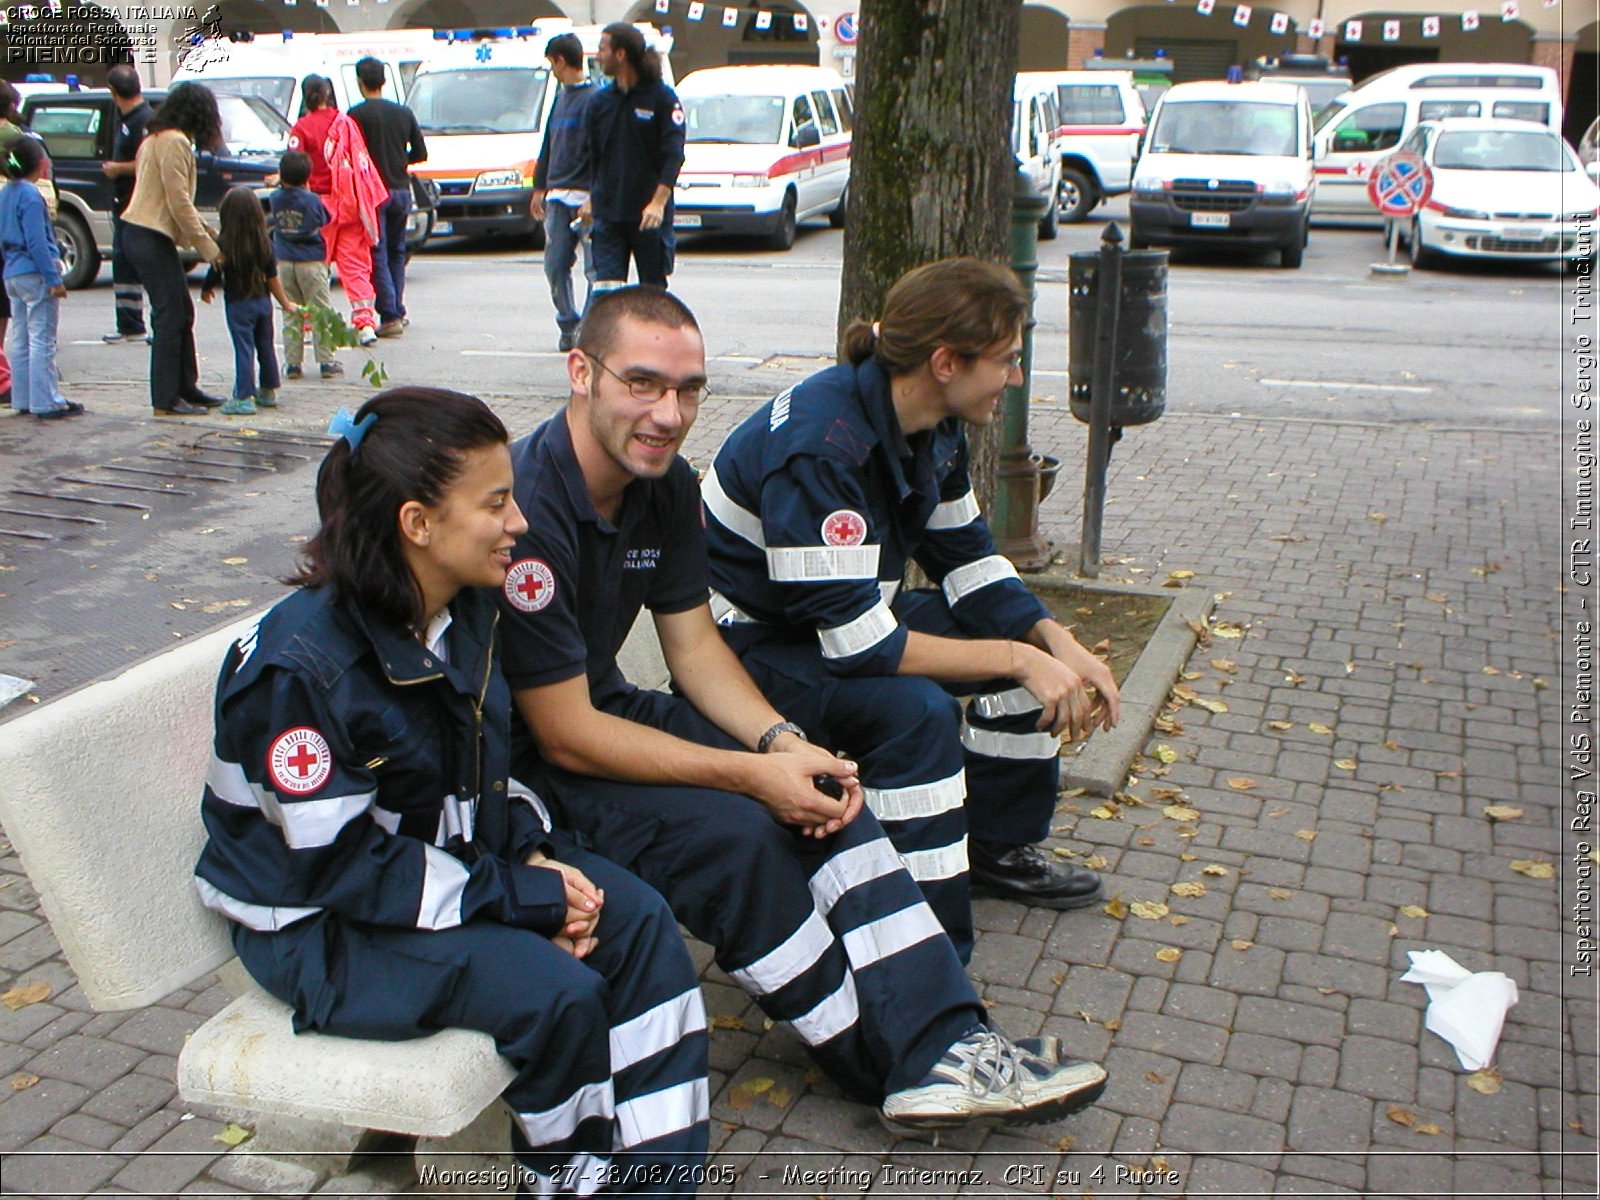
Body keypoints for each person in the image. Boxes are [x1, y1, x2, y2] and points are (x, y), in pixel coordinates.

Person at [497, 285, 1108, 1132]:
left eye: (689, 389)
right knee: (746, 844)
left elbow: (695, 649)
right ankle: (891, 1067)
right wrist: (753, 775)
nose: (668, 413)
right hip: (522, 768)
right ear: (580, 373)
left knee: (824, 791)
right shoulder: (530, 507)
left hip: (606, 712)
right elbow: (562, 735)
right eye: (642, 383)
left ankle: (949, 1039)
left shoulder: (666, 485)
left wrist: (782, 746)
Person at [194, 387, 711, 1195]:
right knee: (556, 997)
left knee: (636, 921)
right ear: (417, 524)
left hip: (431, 874)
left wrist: (536, 855)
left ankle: (658, 1181)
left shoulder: (463, 610)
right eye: (497, 503)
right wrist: (520, 901)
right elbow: (343, 868)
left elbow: (489, 773)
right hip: (317, 928)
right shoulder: (300, 670)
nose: (521, 523)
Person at [702, 258, 1121, 961]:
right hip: (752, 646)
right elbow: (860, 649)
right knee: (916, 715)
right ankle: (919, 945)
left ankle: (994, 849)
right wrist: (1020, 658)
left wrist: (1057, 644)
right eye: (1008, 361)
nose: (1015, 380)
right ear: (946, 362)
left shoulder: (934, 423)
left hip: (840, 621)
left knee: (1023, 654)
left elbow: (974, 563)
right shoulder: (821, 448)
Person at [120, 82, 226, 415]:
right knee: (170, 316)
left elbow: (179, 205)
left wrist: (210, 234)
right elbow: (178, 201)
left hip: (143, 233)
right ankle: (166, 399)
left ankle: (186, 387)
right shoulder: (175, 142)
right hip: (149, 234)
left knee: (181, 310)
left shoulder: (155, 138)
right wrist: (211, 250)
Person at [579, 24, 684, 290]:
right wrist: (592, 196)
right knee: (607, 291)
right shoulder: (599, 102)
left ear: (621, 54)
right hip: (609, 215)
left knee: (652, 293)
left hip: (648, 215)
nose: (598, 55)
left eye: (603, 49)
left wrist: (658, 203)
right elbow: (595, 156)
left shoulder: (662, 98)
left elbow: (673, 155)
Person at [290, 75, 383, 347]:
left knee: (315, 266)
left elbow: (295, 169)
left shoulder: (301, 128)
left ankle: (311, 323)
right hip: (351, 201)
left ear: (306, 96)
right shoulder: (347, 123)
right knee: (355, 264)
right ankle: (365, 322)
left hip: (317, 203)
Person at [201, 187, 298, 416]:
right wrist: (285, 303)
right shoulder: (265, 244)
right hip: (262, 303)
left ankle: (244, 396)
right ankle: (268, 390)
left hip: (238, 304)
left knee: (244, 349)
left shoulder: (224, 245)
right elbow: (272, 277)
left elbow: (214, 271)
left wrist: (206, 290)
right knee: (266, 346)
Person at [1, 137, 78, 420]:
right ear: (41, 164)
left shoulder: (5, 193)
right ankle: (46, 400)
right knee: (42, 337)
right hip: (34, 272)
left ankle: (22, 397)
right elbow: (37, 241)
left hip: (12, 271)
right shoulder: (32, 196)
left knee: (20, 336)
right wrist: (54, 278)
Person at [347, 57, 425, 338]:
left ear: (359, 82)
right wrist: (397, 159)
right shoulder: (403, 113)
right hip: (402, 190)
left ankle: (389, 313)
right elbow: (420, 153)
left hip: (372, 193)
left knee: (376, 252)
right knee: (397, 251)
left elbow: (349, 155)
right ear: (384, 80)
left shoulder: (355, 116)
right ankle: (398, 309)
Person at [530, 32, 598, 353]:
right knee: (554, 265)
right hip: (557, 195)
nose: (552, 71)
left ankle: (591, 328)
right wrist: (539, 187)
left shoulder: (596, 100)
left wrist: (594, 196)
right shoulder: (559, 99)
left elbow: (605, 152)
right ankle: (568, 323)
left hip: (586, 197)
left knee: (595, 269)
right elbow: (548, 144)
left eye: (552, 64)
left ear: (561, 60)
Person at [269, 150, 342, 381]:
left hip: (284, 260)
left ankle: (292, 364)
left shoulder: (275, 198)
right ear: (307, 176)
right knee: (320, 311)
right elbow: (325, 219)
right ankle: (326, 361)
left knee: (290, 311)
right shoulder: (311, 200)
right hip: (311, 260)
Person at [100, 64, 152, 343]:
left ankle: (137, 324)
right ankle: (128, 324)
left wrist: (118, 168)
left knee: (138, 262)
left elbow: (147, 163)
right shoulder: (123, 119)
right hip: (123, 203)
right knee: (122, 263)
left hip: (138, 203)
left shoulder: (143, 121)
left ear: (113, 92)